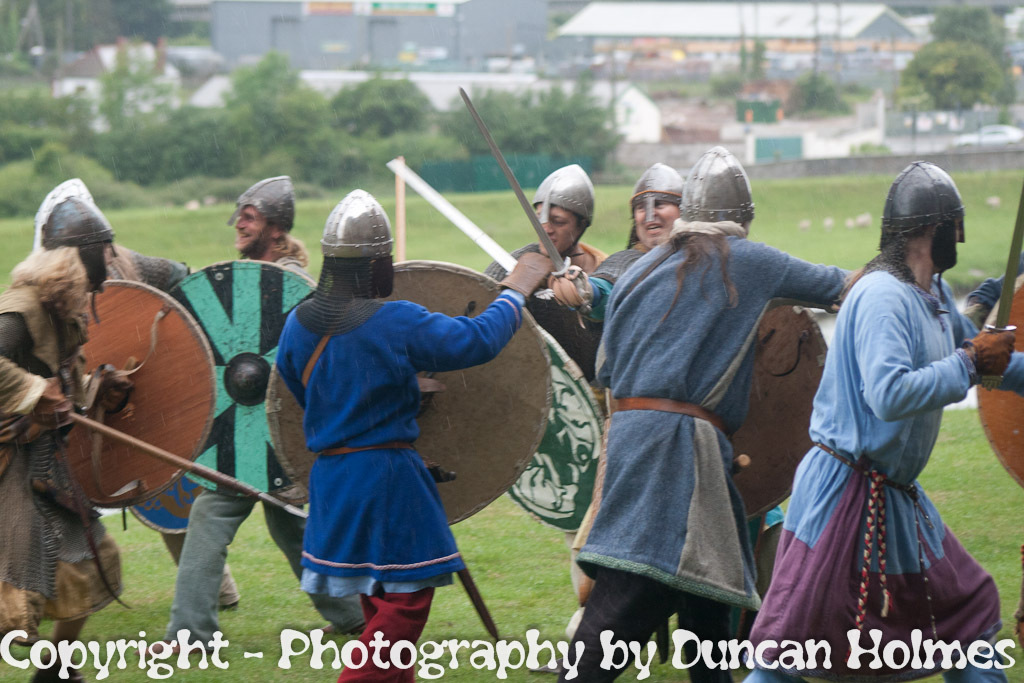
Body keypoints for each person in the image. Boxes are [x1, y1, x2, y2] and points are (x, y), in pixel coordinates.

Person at [560, 146, 849, 683]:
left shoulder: (641, 267)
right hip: (677, 452)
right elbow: (845, 286)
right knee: (631, 592)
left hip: (631, 440)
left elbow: (606, 371)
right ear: (742, 219)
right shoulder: (750, 259)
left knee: (708, 596)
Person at [747, 162, 1021, 682]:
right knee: (789, 647)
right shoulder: (881, 297)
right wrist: (968, 362)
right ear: (934, 230)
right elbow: (890, 394)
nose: (959, 238)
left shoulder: (933, 298)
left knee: (966, 620)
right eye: (955, 227)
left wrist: (986, 352)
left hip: (892, 497)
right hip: (841, 495)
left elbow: (985, 358)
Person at [275, 189, 550, 682]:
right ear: (376, 263)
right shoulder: (394, 322)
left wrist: (383, 386)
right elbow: (477, 339)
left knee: (378, 596)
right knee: (405, 604)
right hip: (383, 480)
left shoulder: (298, 324)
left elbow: (302, 392)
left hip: (333, 480)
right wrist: (516, 289)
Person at [155, 177, 363, 654]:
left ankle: (191, 636)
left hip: (283, 432)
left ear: (275, 227)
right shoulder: (241, 282)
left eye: (251, 215)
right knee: (279, 523)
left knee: (259, 521)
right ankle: (351, 615)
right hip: (240, 427)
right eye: (240, 215)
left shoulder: (301, 288)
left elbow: (320, 362)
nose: (240, 223)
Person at [33, 179, 244, 611]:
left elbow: (186, 282)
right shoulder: (44, 286)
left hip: (146, 405)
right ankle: (63, 592)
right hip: (77, 412)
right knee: (62, 498)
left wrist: (177, 354)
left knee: (172, 500)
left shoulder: (129, 264)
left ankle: (216, 592)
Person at [0, 195, 131, 682]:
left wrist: (97, 388)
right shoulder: (21, 311)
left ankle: (53, 668)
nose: (112, 261)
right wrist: (34, 392)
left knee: (91, 557)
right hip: (9, 463)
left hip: (45, 464)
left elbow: (61, 388)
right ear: (80, 257)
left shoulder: (60, 311)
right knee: (16, 587)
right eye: (105, 251)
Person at [483, 164, 605, 381]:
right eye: (540, 218)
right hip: (528, 386)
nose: (545, 228)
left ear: (581, 225)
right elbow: (478, 318)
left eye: (558, 222)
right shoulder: (511, 264)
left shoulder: (604, 270)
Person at [550, 162, 683, 322]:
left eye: (659, 205)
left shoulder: (705, 258)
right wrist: (586, 289)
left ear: (683, 211)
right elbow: (606, 286)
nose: (650, 214)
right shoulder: (628, 262)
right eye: (641, 208)